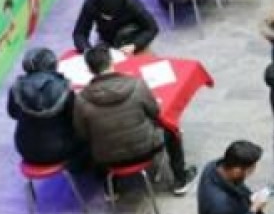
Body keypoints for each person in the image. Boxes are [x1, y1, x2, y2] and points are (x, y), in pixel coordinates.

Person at [73, 46, 197, 194]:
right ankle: (179, 179)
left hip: (106, 157)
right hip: (145, 150)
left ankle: (110, 188)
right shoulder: (137, 85)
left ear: (89, 69)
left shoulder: (81, 99)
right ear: (112, 62)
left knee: (91, 143)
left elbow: (82, 133)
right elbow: (155, 113)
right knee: (171, 130)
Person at [7, 48, 86, 168]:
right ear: (52, 64)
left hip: (25, 149)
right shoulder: (64, 88)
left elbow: (13, 113)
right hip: (61, 150)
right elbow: (76, 118)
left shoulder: (15, 88)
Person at [71, 0, 158, 55]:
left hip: (133, 37)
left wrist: (135, 45)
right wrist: (87, 51)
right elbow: (79, 33)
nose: (109, 18)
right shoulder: (90, 4)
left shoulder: (132, 4)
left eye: (112, 15)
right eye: (105, 15)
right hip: (106, 40)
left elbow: (152, 28)